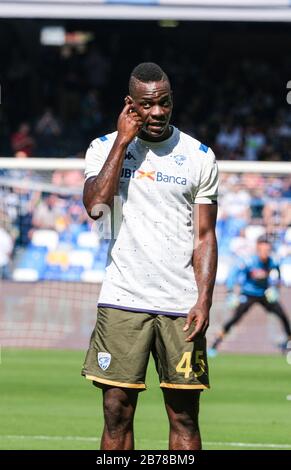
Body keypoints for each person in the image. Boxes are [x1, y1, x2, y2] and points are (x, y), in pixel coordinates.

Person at [82, 62, 218, 450]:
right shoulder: (102, 148)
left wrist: (204, 299)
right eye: (147, 104)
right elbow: (95, 207)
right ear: (130, 105)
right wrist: (123, 143)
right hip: (123, 300)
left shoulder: (199, 156)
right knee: (116, 412)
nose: (157, 112)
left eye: (165, 103)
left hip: (180, 304)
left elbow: (205, 237)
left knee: (184, 416)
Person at [209, 236, 291, 356]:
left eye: (267, 250)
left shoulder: (272, 262)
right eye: (263, 250)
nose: (265, 253)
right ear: (258, 249)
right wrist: (231, 293)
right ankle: (215, 345)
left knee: (283, 316)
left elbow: (278, 274)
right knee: (234, 319)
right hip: (248, 294)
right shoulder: (249, 262)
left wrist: (275, 289)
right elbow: (233, 275)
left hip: (264, 294)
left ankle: (288, 343)